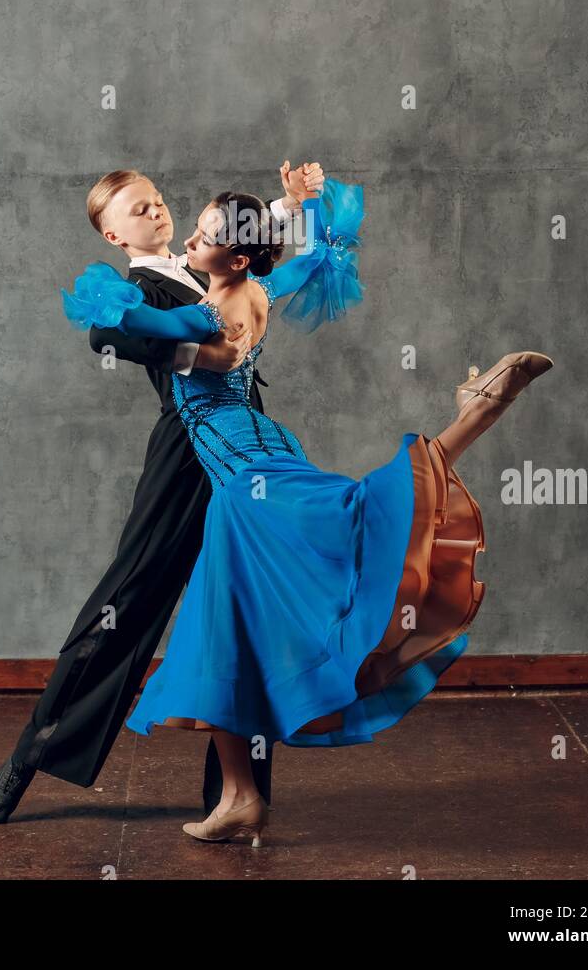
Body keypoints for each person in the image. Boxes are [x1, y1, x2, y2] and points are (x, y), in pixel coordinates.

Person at [60, 177, 553, 846]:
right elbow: (306, 262)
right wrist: (303, 209)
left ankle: (469, 419)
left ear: (233, 257)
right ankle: (238, 797)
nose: (191, 239)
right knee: (227, 621)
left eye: (205, 236)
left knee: (351, 520)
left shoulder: (212, 313)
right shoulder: (256, 287)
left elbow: (145, 325)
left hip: (238, 473)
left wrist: (110, 299)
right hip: (260, 454)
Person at [0, 160, 324, 825]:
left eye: (158, 202)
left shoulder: (203, 260)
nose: (155, 212)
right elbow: (104, 333)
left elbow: (250, 254)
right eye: (137, 210)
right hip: (187, 450)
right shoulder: (134, 284)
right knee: (126, 601)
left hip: (245, 449)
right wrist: (202, 356)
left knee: (243, 606)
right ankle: (33, 750)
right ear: (112, 235)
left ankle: (236, 793)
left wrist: (287, 203)